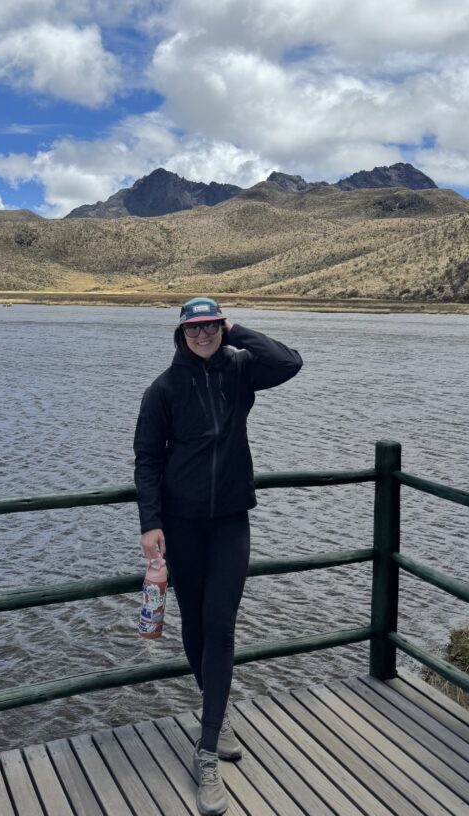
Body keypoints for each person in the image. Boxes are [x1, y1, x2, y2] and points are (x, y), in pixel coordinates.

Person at [133, 297, 303, 815]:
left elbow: (289, 362)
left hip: (231, 520)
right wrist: (151, 523)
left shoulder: (240, 370)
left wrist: (238, 330)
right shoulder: (163, 389)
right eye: (195, 328)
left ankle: (206, 752)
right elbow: (146, 460)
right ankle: (218, 714)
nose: (203, 335)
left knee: (221, 625)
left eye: (211, 326)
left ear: (219, 327)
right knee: (195, 627)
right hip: (182, 526)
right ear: (180, 333)